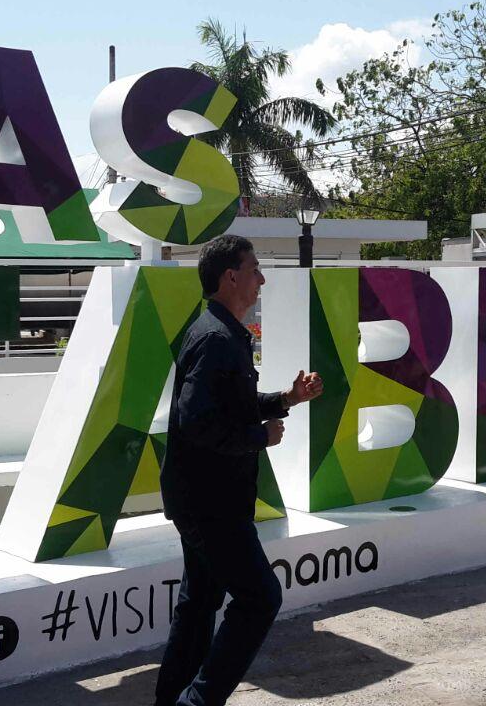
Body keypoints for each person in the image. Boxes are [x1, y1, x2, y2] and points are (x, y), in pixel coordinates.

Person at [156, 235, 323, 706]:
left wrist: (286, 399)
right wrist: (259, 437)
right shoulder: (216, 338)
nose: (261, 279)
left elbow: (230, 406)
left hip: (202, 498)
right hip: (212, 503)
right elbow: (196, 422)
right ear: (231, 277)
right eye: (255, 270)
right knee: (260, 598)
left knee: (199, 604)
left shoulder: (222, 332)